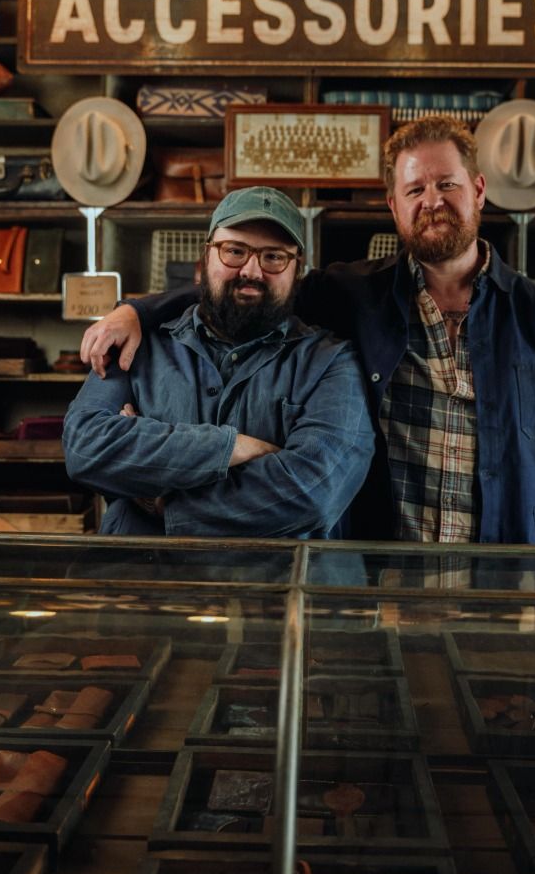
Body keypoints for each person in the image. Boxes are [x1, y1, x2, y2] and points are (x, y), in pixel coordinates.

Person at [79, 116, 535, 588]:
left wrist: (521, 483)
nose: (432, 200)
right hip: (386, 569)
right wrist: (139, 312)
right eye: (415, 188)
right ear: (394, 206)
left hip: (508, 571)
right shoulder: (353, 295)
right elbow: (245, 289)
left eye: (448, 184)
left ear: (479, 190)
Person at [62, 187, 375, 584]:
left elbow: (313, 490)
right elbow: (85, 447)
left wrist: (167, 504)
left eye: (274, 257)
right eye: (235, 251)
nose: (251, 271)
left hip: (286, 604)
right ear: (206, 255)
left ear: (298, 269)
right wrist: (232, 447)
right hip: (145, 595)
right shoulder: (136, 345)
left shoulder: (330, 361)